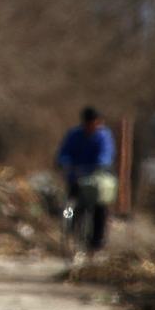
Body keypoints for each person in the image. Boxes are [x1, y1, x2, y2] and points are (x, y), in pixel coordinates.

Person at [55, 106, 116, 251]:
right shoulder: (74, 134)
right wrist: (65, 162)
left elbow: (105, 154)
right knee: (69, 204)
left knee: (99, 207)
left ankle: (97, 240)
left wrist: (100, 164)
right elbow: (64, 153)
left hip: (95, 180)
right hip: (75, 176)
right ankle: (69, 225)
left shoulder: (103, 136)